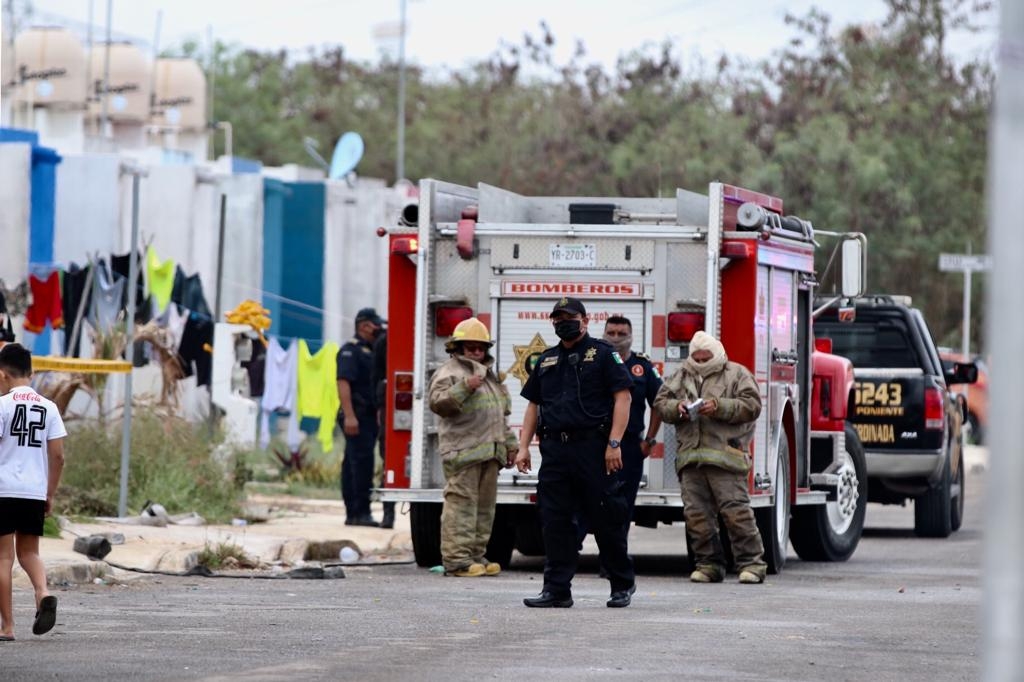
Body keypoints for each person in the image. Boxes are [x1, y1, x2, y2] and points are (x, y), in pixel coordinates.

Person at [515, 297, 636, 608]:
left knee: (606, 517)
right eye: (557, 317)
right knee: (554, 521)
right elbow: (534, 405)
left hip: (593, 449)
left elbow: (623, 398)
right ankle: (556, 589)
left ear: (585, 320)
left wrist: (614, 443)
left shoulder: (604, 354)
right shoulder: (546, 359)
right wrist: (524, 446)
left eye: (569, 316)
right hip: (555, 451)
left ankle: (621, 583)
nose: (562, 322)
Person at [653, 330, 767, 584]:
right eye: (697, 358)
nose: (701, 362)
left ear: (717, 353)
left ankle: (752, 564)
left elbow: (752, 405)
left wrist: (719, 406)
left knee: (736, 512)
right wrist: (677, 408)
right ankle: (708, 565)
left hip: (727, 457)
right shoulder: (681, 375)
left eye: (706, 358)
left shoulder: (737, 374)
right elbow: (661, 402)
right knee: (697, 516)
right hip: (691, 459)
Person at [428, 318, 518, 577]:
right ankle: (457, 561)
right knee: (461, 507)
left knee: (484, 509)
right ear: (457, 348)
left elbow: (499, 415)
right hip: (463, 452)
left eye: (480, 347)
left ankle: (476, 556)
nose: (476, 352)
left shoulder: (489, 377)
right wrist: (464, 388)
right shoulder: (449, 372)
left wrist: (509, 445)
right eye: (470, 347)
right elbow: (438, 404)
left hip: (490, 453)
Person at [0, 343, 66, 640]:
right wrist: (49, 493)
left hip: (3, 489)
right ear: (32, 372)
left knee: (3, 559)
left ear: (2, 375)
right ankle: (42, 592)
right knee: (30, 552)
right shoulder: (49, 407)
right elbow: (58, 456)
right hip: (33, 492)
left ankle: (8, 627)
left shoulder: (2, 405)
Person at [601, 316, 663, 521]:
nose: (616, 338)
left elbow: (659, 404)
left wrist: (650, 440)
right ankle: (573, 549)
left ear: (631, 336)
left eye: (622, 334)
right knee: (589, 500)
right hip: (596, 443)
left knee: (623, 504)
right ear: (603, 334)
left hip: (630, 447)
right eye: (611, 333)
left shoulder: (642, 366)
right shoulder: (594, 363)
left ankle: (618, 552)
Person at [337, 307, 384, 527]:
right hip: (356, 415)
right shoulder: (351, 350)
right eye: (375, 324)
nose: (379, 329)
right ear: (364, 325)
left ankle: (354, 513)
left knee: (353, 463)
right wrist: (350, 416)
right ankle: (360, 513)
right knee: (361, 464)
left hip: (366, 416)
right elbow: (343, 382)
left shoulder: (371, 350)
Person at [371, 328, 396, 529]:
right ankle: (388, 514)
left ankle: (388, 516)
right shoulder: (385, 341)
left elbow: (375, 378)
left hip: (388, 406)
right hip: (388, 405)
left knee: (389, 463)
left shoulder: (384, 340)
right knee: (389, 463)